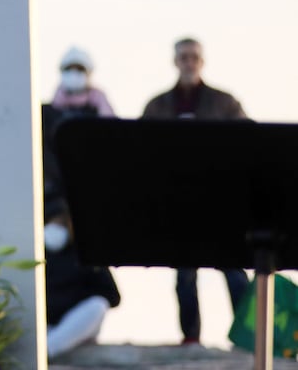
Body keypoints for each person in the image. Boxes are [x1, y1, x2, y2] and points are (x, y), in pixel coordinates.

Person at [140, 35, 249, 345]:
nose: (188, 62)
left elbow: (248, 144)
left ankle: (247, 336)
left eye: (194, 57)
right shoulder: (158, 105)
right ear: (175, 61)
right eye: (183, 57)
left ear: (201, 61)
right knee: (185, 273)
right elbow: (139, 151)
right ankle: (191, 338)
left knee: (233, 268)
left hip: (222, 200)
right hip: (178, 202)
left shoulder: (224, 102)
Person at [43, 208, 120, 359]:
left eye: (62, 223)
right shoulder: (33, 251)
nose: (56, 228)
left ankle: (46, 350)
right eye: (53, 223)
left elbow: (113, 297)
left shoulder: (84, 252)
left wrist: (72, 295)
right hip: (44, 326)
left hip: (73, 326)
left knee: (97, 305)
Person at [50, 47, 115, 119]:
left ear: (89, 73)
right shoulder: (50, 110)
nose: (73, 74)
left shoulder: (101, 106)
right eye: (69, 69)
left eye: (79, 69)